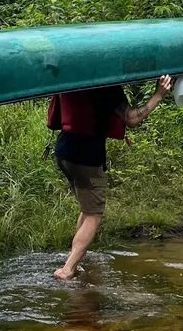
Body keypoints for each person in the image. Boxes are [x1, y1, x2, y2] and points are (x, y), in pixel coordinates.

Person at [50, 75, 173, 280]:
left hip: (64, 150)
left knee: (87, 209)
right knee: (94, 214)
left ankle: (75, 257)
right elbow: (132, 118)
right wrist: (158, 95)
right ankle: (68, 269)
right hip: (86, 156)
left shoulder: (75, 77)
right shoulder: (107, 86)